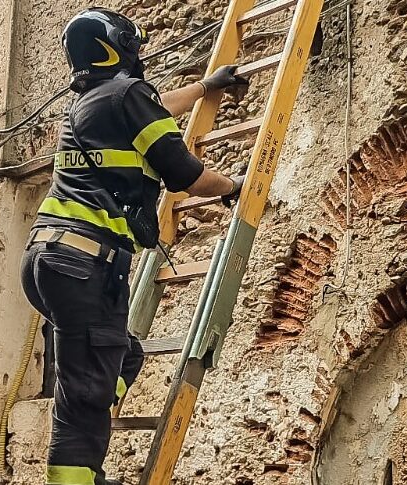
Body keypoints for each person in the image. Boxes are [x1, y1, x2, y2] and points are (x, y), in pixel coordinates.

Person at [20, 7, 248, 485]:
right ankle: (76, 476)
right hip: (85, 263)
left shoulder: (91, 104)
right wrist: (234, 187)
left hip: (50, 260)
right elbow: (186, 175)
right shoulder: (127, 95)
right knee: (84, 390)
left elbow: (156, 107)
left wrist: (207, 87)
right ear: (123, 46)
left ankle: (92, 422)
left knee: (123, 356)